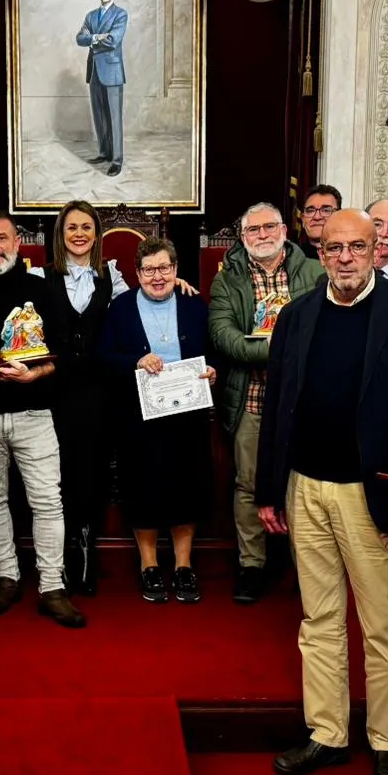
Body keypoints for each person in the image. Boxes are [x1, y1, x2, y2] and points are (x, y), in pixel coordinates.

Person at [258, 210, 388, 775]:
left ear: (378, 250)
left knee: (384, 625)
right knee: (318, 621)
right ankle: (327, 733)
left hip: (377, 495)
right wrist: (270, 489)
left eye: (356, 247)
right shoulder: (297, 315)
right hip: (306, 489)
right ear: (319, 251)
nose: (344, 257)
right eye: (333, 247)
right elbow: (279, 405)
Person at [0, 209, 85, 628]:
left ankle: (51, 586)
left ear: (17, 243)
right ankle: (6, 577)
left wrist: (34, 372)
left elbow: (63, 352)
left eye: (1, 238)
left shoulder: (42, 291)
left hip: (34, 413)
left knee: (47, 501)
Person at [208, 202, 325, 603]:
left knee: (304, 486)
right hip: (251, 399)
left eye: (269, 227)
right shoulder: (228, 280)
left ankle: (304, 565)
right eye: (253, 230)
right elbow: (225, 337)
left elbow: (326, 329)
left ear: (284, 230)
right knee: (247, 484)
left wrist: (283, 351)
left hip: (306, 404)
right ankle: (251, 564)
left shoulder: (313, 272)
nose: (262, 235)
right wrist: (283, 351)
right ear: (243, 237)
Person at [97, 238, 217, 604]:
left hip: (187, 414)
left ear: (176, 270)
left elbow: (213, 352)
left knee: (187, 486)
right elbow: (103, 357)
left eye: (165, 268)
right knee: (142, 488)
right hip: (138, 418)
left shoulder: (195, 305)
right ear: (137, 274)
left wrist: (213, 370)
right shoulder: (119, 308)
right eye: (149, 269)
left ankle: (183, 566)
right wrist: (136, 360)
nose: (158, 276)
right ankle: (149, 565)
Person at [39, 199, 127, 595]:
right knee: (59, 472)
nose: (79, 234)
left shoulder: (113, 277)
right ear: (61, 234)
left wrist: (178, 284)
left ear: (96, 234)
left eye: (86, 227)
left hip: (99, 392)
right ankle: (65, 552)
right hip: (55, 391)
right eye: (71, 227)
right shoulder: (42, 277)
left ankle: (89, 553)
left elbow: (141, 306)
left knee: (91, 471)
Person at [77, 0, 128, 176]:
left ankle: (116, 160)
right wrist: (98, 37)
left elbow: (114, 40)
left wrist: (92, 39)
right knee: (99, 116)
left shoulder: (120, 15)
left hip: (113, 71)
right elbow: (80, 38)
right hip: (95, 71)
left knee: (114, 117)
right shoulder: (90, 16)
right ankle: (104, 153)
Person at [297, 185, 342, 259]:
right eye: (310, 211)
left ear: (339, 216)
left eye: (326, 210)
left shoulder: (352, 255)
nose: (317, 217)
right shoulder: (289, 259)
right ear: (303, 219)